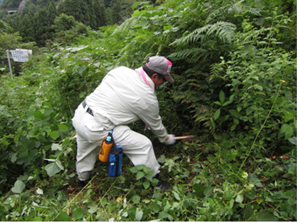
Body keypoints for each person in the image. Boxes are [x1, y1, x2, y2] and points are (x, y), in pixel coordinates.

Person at [71, 55, 176, 185]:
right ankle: (155, 181)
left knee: (85, 151)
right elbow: (156, 125)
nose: (162, 83)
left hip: (80, 115)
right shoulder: (147, 97)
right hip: (98, 128)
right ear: (154, 76)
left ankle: (82, 180)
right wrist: (165, 138)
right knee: (143, 145)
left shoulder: (120, 71)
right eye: (163, 80)